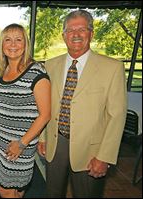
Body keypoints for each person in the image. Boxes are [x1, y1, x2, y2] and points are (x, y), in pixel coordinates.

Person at [37, 10, 127, 198]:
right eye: (70, 30)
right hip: (56, 143)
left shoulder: (112, 68)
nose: (76, 34)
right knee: (53, 193)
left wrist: (105, 156)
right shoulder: (50, 65)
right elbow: (45, 105)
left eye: (82, 29)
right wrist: (43, 138)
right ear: (63, 36)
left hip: (91, 150)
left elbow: (116, 116)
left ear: (91, 33)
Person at [0, 23, 51, 198]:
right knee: (15, 189)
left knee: (5, 190)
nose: (13, 44)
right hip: (2, 141)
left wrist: (22, 143)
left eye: (18, 40)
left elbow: (45, 114)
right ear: (2, 45)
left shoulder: (36, 71)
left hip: (21, 143)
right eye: (8, 40)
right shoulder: (3, 71)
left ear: (26, 44)